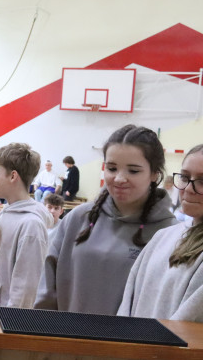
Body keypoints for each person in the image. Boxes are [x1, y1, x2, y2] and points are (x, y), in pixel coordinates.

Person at [36, 125, 177, 314]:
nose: (119, 178)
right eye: (111, 168)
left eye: (133, 171)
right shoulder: (79, 218)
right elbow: (47, 287)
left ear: (154, 174)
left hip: (131, 343)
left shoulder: (169, 233)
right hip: (66, 339)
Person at [119, 142, 203, 324]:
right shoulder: (163, 236)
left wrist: (152, 350)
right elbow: (129, 301)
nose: (188, 188)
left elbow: (192, 322)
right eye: (185, 177)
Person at [0, 143, 50, 309]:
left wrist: (10, 325)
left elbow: (25, 288)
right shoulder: (5, 213)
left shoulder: (31, 225)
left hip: (6, 321)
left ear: (13, 176)